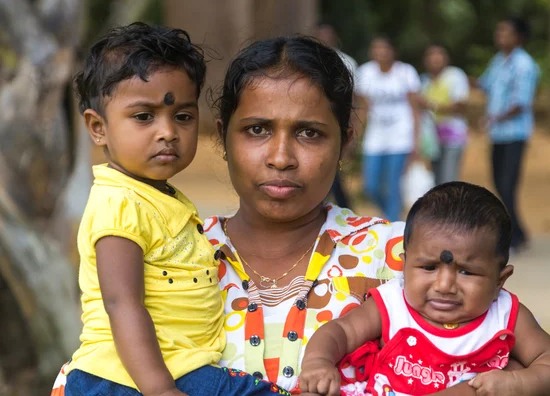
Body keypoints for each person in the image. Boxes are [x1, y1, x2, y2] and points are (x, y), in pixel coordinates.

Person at [52, 35, 407, 396]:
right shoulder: (171, 253)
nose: (281, 157)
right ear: (223, 137)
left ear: (345, 142)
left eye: (308, 133)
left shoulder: (404, 258)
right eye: (257, 130)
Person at [60, 23, 287, 396]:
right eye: (144, 117)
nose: (167, 132)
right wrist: (160, 389)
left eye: (182, 116)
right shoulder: (120, 204)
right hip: (131, 377)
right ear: (98, 128)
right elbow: (122, 304)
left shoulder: (155, 196)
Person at [299, 181, 550, 396]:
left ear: (499, 281)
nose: (444, 286)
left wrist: (518, 383)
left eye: (467, 271)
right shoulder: (393, 304)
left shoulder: (505, 315)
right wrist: (318, 362)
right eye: (429, 268)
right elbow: (341, 332)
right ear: (405, 265)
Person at [476, 17, 540, 253]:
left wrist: (494, 118)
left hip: (515, 133)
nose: (499, 35)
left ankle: (513, 237)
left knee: (507, 184)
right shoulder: (498, 61)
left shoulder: (525, 65)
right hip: (497, 135)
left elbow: (521, 103)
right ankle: (520, 232)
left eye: (505, 31)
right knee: (499, 184)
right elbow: (484, 85)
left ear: (519, 37)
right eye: (499, 30)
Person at [356, 36, 421, 221]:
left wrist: (416, 141)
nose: (380, 52)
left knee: (393, 185)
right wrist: (356, 136)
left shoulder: (406, 72)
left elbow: (415, 109)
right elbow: (363, 108)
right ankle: (391, 216)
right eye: (376, 48)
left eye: (384, 48)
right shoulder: (366, 72)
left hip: (400, 136)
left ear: (393, 51)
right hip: (375, 137)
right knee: (370, 186)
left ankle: (393, 225)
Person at [315, 22, 358, 209]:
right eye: (320, 34)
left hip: (336, 122)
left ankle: (338, 207)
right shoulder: (308, 61)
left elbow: (354, 100)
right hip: (314, 121)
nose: (324, 38)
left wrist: (353, 125)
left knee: (331, 166)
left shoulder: (347, 63)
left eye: (328, 34)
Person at [419, 43, 470, 185]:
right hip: (432, 138)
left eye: (439, 55)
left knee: (449, 180)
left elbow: (460, 105)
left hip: (453, 136)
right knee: (436, 180)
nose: (435, 59)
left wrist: (430, 105)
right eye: (431, 55)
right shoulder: (423, 80)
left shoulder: (455, 76)